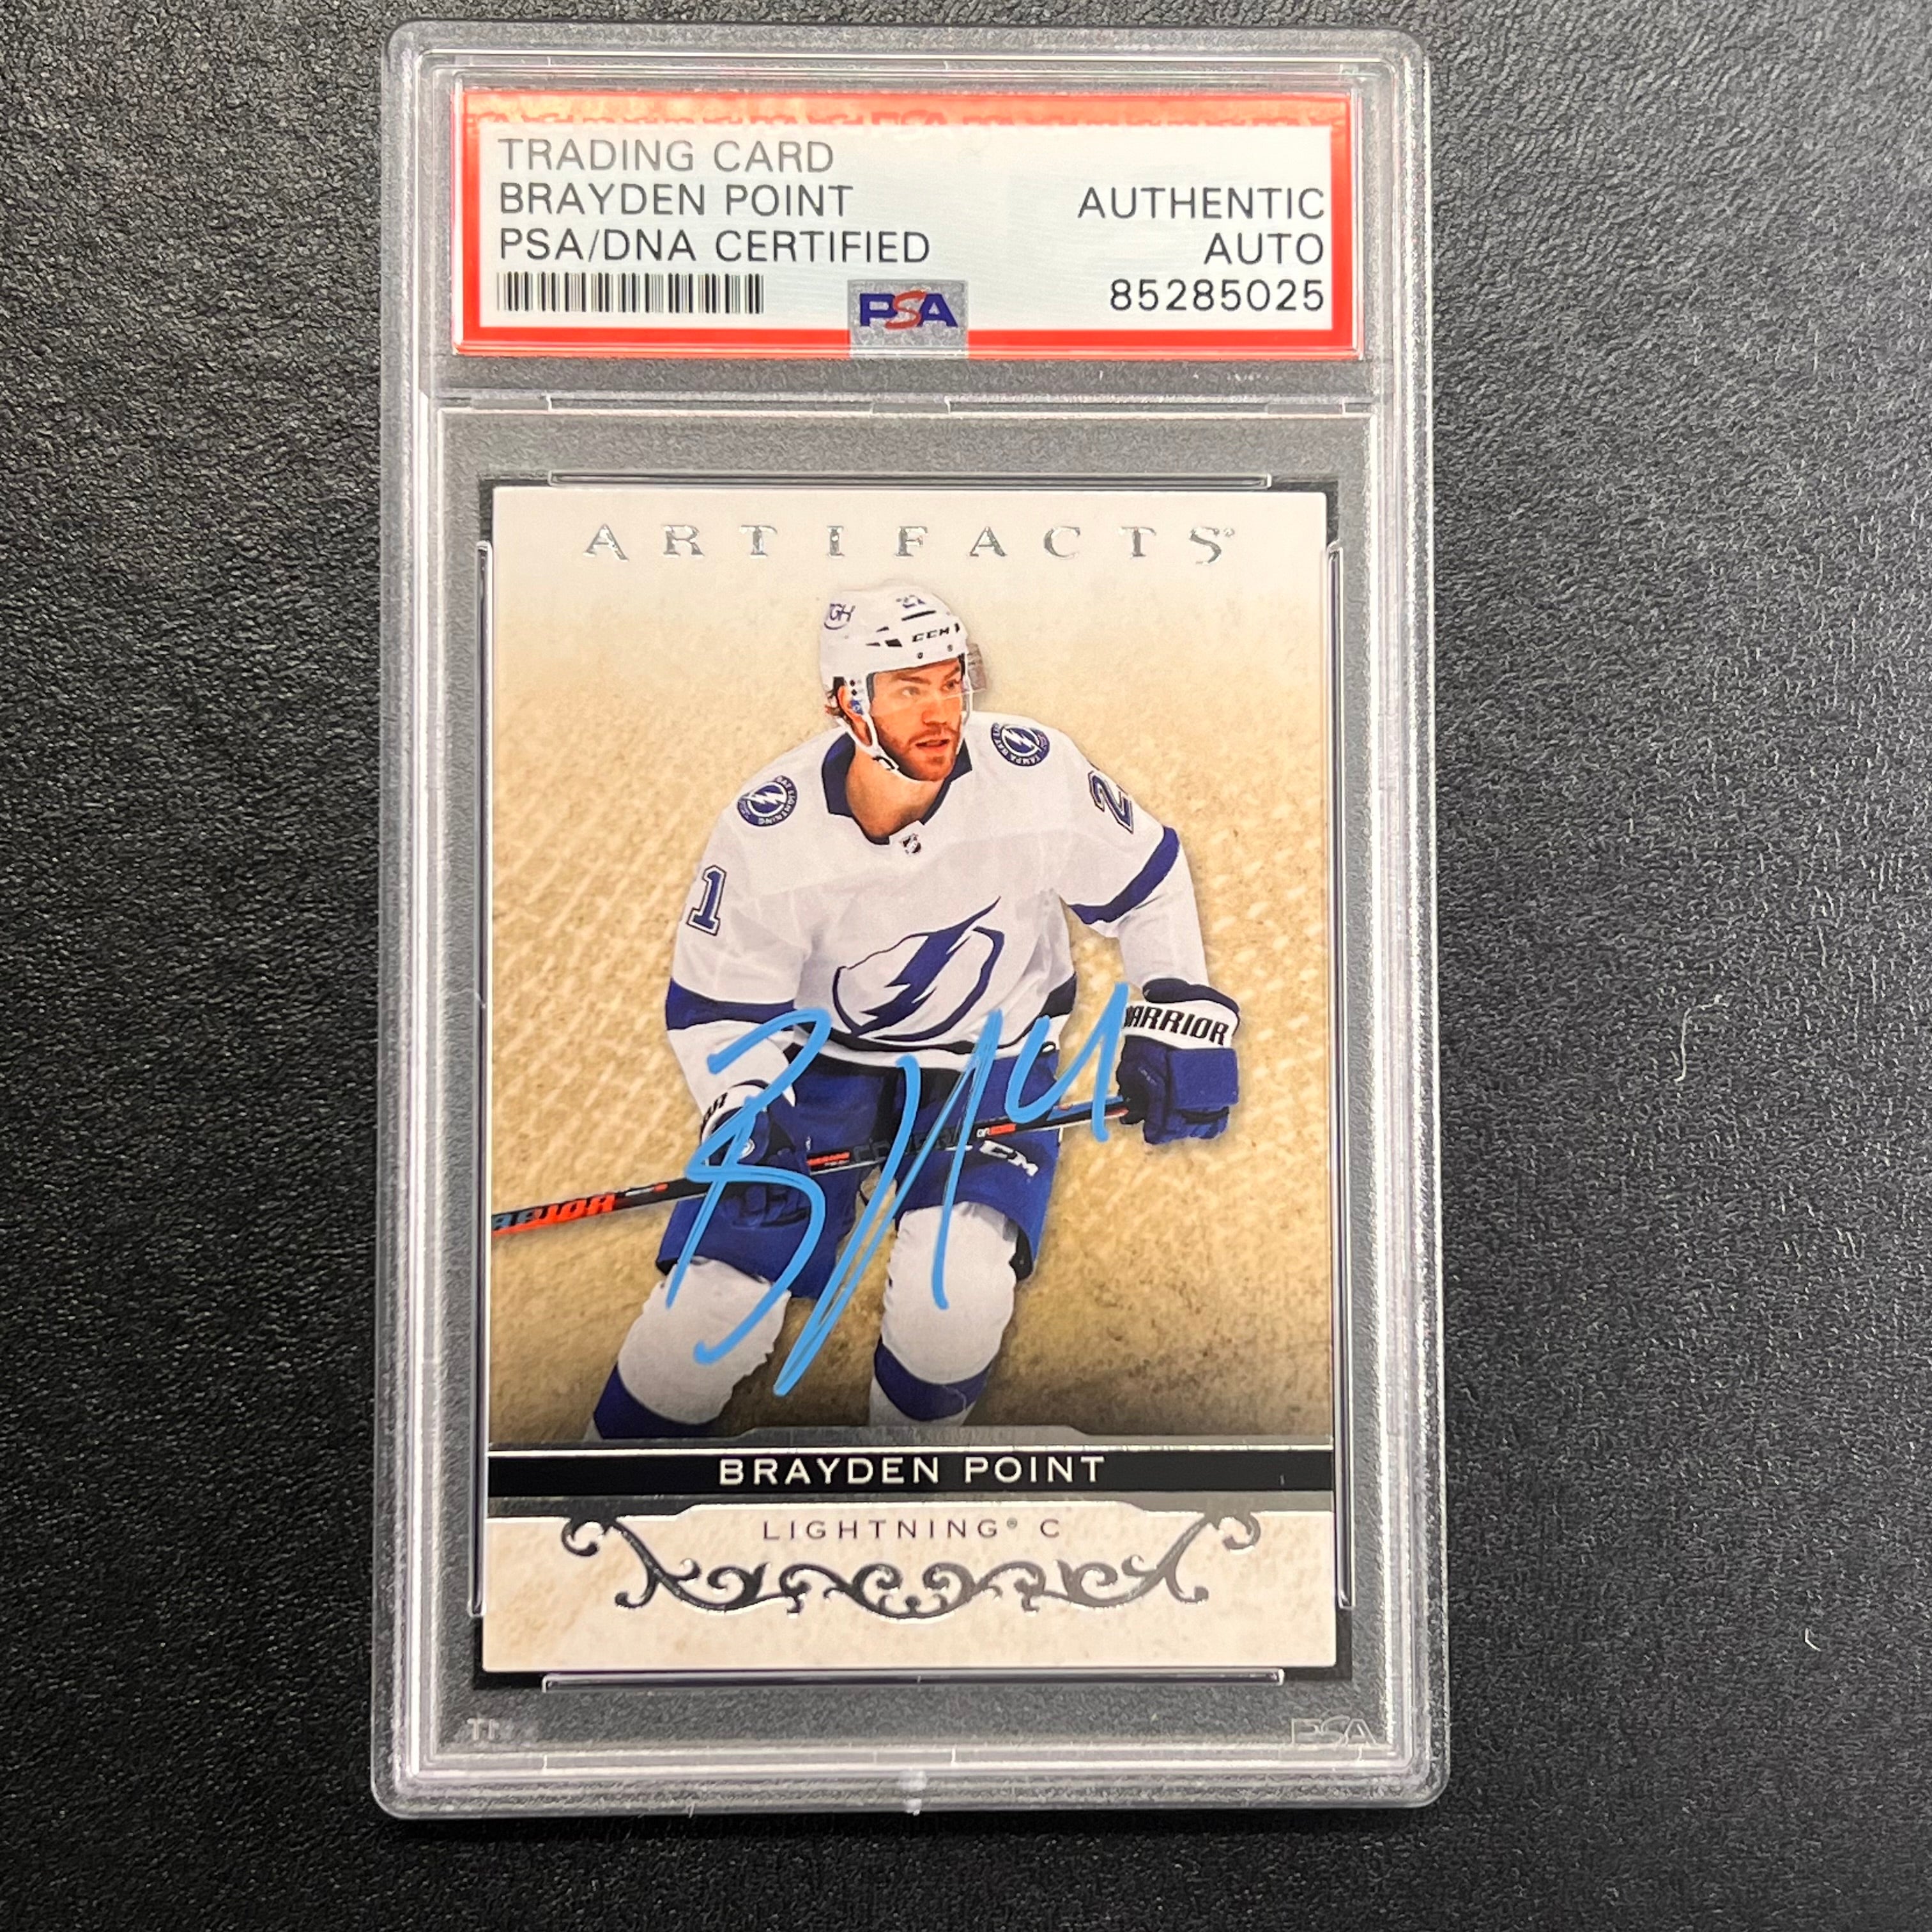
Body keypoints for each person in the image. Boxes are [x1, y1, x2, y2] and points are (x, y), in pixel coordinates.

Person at [590, 585, 1241, 1436]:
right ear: (846, 703)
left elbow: (1148, 884)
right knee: (709, 1316)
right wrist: (745, 1107)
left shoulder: (1033, 776)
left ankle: (909, 1478)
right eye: (907, 689)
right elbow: (718, 1006)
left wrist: (1179, 1007)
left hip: (993, 1059)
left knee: (955, 1301)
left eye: (949, 681)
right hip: (818, 1067)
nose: (940, 712)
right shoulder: (768, 833)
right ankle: (597, 1486)